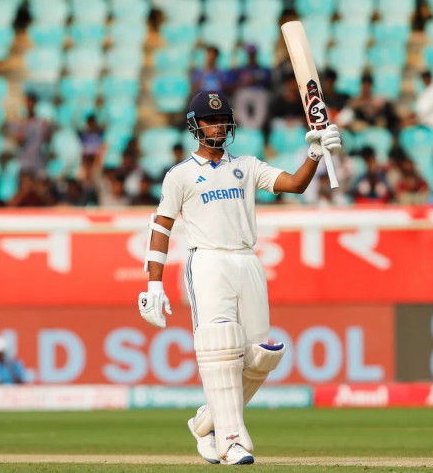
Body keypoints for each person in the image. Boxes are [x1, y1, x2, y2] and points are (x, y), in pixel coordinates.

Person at [137, 91, 341, 465]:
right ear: (195, 125)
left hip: (247, 260)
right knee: (221, 346)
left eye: (222, 120)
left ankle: (206, 422)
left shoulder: (246, 166)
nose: (218, 127)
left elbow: (295, 185)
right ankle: (231, 440)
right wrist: (153, 283)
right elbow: (161, 225)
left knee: (262, 356)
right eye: (210, 120)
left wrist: (314, 153)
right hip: (208, 260)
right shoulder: (180, 175)